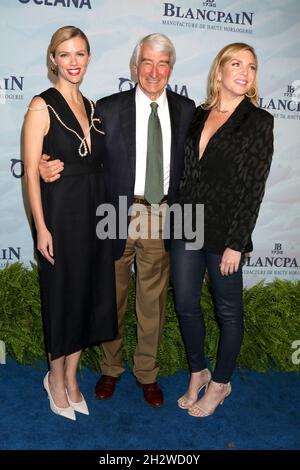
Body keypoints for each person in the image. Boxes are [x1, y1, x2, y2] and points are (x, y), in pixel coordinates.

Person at [39, 33, 195, 407]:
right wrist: (44, 164)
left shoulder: (188, 110)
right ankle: (111, 369)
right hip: (113, 212)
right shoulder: (105, 108)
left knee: (152, 301)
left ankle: (147, 374)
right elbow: (72, 148)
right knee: (112, 295)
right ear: (134, 66)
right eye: (147, 62)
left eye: (162, 63)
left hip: (162, 213)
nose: (154, 71)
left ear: (170, 68)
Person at [170, 42, 274, 417]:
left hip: (225, 231)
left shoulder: (259, 121)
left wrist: (237, 242)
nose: (244, 71)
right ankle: (199, 371)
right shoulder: (198, 115)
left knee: (228, 312)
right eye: (236, 63)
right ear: (219, 71)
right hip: (186, 223)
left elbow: (253, 186)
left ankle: (221, 383)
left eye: (251, 66)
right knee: (184, 303)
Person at [24, 26, 117, 421]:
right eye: (65, 54)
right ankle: (55, 377)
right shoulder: (40, 105)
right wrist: (41, 228)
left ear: (89, 58)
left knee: (87, 297)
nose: (74, 62)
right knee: (62, 297)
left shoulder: (94, 108)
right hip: (60, 217)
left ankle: (73, 376)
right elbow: (31, 173)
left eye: (80, 53)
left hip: (95, 214)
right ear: (53, 60)